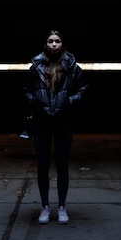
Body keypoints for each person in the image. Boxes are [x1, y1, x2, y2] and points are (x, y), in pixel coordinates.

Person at [22, 30, 88, 224]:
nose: (53, 44)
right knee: (42, 167)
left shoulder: (72, 66)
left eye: (57, 41)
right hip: (41, 122)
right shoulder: (35, 67)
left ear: (62, 44)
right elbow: (25, 90)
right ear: (45, 44)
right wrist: (35, 101)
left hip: (64, 121)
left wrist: (69, 101)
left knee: (62, 166)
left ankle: (61, 208)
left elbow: (83, 89)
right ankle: (44, 208)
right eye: (50, 41)